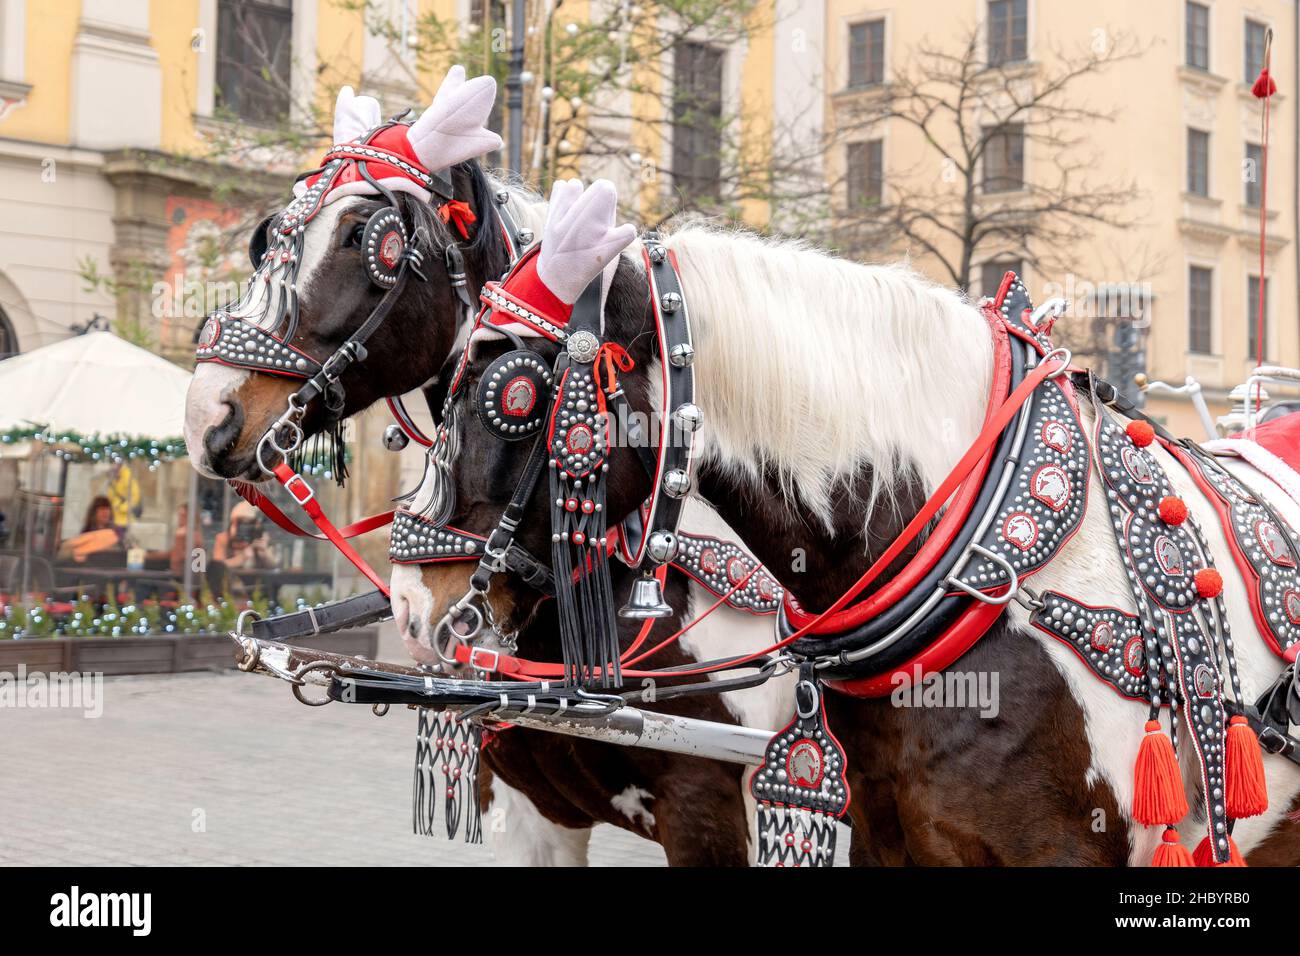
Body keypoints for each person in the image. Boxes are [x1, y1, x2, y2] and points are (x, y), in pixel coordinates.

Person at [211, 501, 280, 595]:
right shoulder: (223, 539)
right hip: (230, 591)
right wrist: (241, 558)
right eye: (240, 523)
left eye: (248, 524)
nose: (244, 528)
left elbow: (275, 569)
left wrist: (264, 554)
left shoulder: (261, 538)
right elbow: (217, 568)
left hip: (258, 590)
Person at [57, 495, 123, 562]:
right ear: (94, 512)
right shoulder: (87, 532)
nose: (105, 512)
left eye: (107, 509)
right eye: (102, 509)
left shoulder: (116, 531)